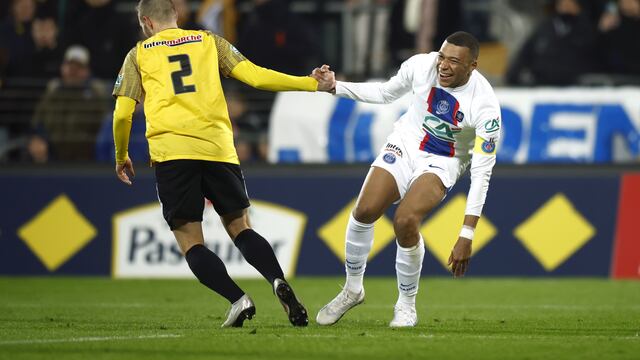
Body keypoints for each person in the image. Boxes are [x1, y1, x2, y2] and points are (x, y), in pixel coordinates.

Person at [112, 0, 334, 328]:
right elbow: (256, 77)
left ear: (146, 21)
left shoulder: (139, 54)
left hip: (173, 152)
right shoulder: (209, 41)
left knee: (190, 241)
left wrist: (121, 156)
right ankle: (276, 281)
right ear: (178, 14)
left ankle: (238, 298)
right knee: (240, 227)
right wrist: (310, 83)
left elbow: (122, 113)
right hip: (218, 148)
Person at [315, 31, 501, 327]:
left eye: (454, 61)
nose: (444, 66)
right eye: (442, 57)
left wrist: (466, 235)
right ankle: (352, 289)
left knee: (405, 221)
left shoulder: (486, 107)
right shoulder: (421, 66)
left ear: (473, 66)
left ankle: (406, 304)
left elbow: (482, 173)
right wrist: (336, 86)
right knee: (364, 211)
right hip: (406, 143)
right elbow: (386, 92)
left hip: (444, 160)